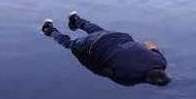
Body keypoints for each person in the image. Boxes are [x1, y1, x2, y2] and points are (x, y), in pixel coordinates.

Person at [41, 12, 170, 87]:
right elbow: (105, 70)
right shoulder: (128, 78)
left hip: (119, 37)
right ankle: (48, 30)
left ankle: (76, 20)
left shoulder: (161, 62)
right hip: (93, 45)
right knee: (70, 45)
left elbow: (148, 43)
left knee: (99, 31)